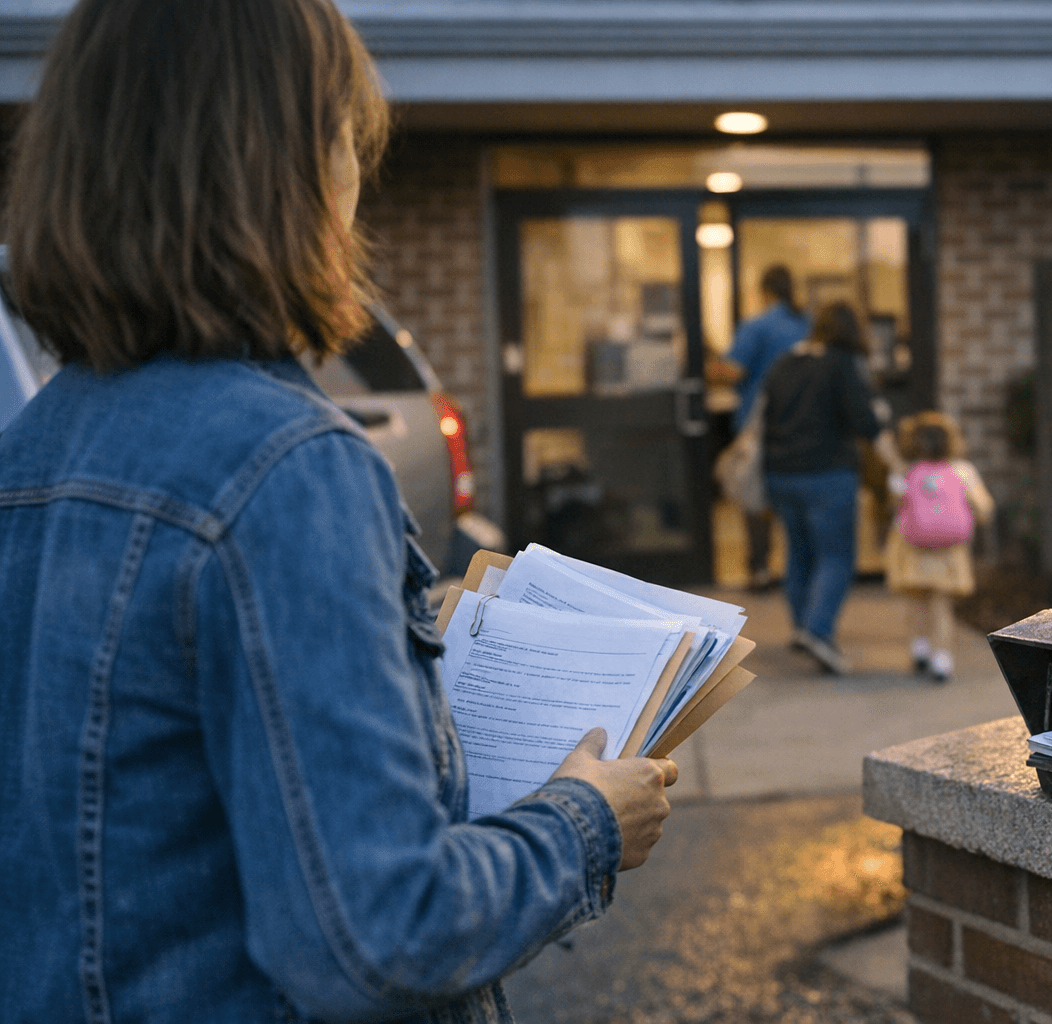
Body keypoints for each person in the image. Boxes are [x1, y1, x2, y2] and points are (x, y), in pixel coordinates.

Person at [0, 3, 675, 1022]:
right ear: (288, 168)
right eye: (346, 140)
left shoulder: (30, 451)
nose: (358, 182)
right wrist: (587, 822)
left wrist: (385, 643)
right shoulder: (288, 469)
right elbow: (378, 937)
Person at [759, 301, 894, 674]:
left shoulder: (786, 362)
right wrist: (897, 464)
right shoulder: (841, 363)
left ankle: (803, 627)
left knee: (799, 552)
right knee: (835, 556)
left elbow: (765, 415)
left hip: (781, 474)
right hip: (827, 474)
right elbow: (865, 420)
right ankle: (819, 630)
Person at [707, 265, 809, 587]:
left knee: (755, 495)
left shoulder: (757, 326)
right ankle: (799, 565)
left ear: (763, 291)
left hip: (759, 424)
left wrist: (712, 367)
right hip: (806, 422)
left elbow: (733, 372)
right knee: (796, 495)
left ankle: (761, 568)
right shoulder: (808, 323)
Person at [884, 411, 995, 682]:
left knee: (917, 600)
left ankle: (919, 646)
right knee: (941, 605)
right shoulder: (963, 471)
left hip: (912, 548)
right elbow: (984, 509)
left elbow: (895, 506)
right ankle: (942, 657)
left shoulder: (905, 472)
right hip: (949, 550)